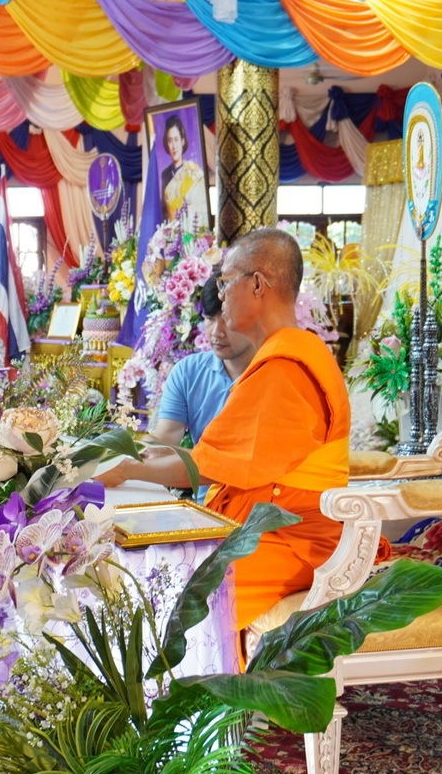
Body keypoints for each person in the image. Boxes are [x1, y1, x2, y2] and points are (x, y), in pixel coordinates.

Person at [98, 228, 350, 633]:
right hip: (265, 523)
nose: (221, 294)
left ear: (257, 284)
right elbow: (226, 459)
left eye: (225, 282)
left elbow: (211, 466)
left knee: (170, 591)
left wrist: (129, 470)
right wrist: (150, 457)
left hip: (294, 537)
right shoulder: (286, 353)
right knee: (144, 558)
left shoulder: (287, 366)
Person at [142, 276, 258, 502]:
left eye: (227, 320)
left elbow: (241, 463)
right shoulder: (188, 372)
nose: (217, 332)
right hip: (206, 505)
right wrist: (134, 449)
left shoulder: (273, 373)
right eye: (209, 319)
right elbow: (164, 443)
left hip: (262, 508)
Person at [159, 114, 207, 223]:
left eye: (176, 140)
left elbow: (202, 206)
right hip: (171, 231)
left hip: (192, 229)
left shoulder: (193, 171)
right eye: (170, 140)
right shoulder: (165, 174)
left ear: (182, 141)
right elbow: (164, 211)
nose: (174, 146)